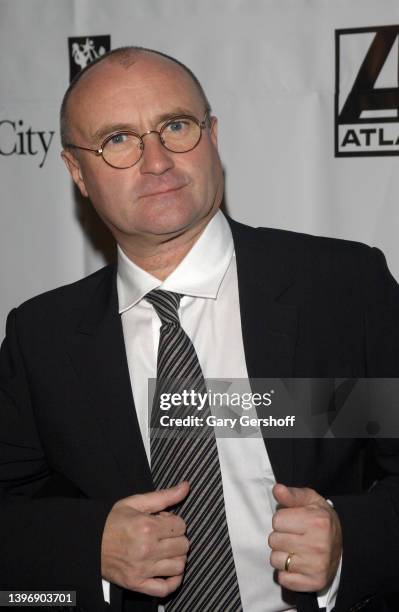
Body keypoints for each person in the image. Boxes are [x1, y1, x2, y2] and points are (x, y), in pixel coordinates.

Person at [1, 46, 399, 612]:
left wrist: (349, 542)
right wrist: (89, 546)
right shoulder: (41, 337)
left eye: (176, 126)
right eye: (118, 139)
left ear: (212, 136)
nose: (157, 161)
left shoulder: (339, 288)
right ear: (76, 172)